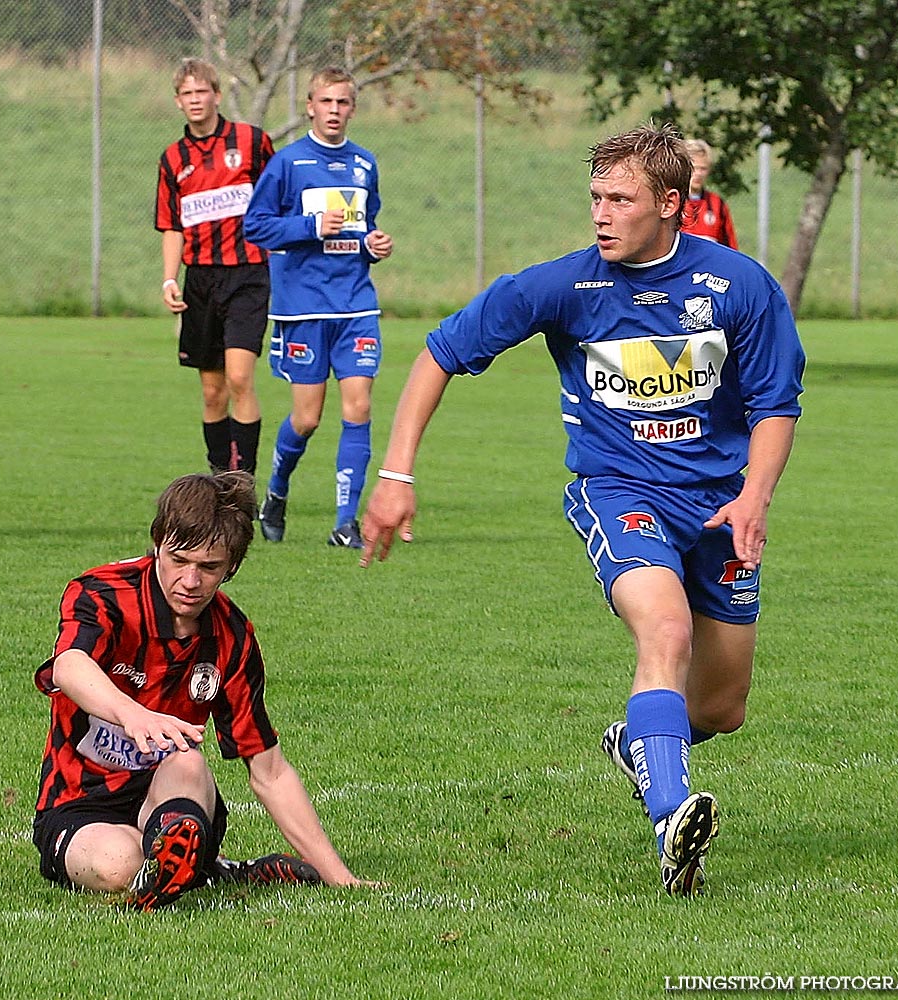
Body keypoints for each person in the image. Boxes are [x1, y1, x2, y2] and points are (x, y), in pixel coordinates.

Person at [359, 124, 804, 898]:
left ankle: (640, 743)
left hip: (718, 507)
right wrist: (395, 473)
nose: (601, 214)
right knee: (662, 630)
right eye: (595, 197)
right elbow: (439, 352)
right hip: (619, 494)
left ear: (670, 204)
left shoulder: (739, 285)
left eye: (620, 199)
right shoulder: (564, 286)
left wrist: (752, 499)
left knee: (723, 707)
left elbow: (774, 403)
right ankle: (671, 819)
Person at [32, 471, 371, 910]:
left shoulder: (232, 637)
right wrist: (132, 715)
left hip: (174, 798)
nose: (190, 581)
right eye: (179, 560)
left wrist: (341, 878)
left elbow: (270, 772)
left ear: (232, 565)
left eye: (208, 567)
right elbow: (69, 665)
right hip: (78, 803)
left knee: (188, 762)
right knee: (118, 865)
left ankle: (184, 856)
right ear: (157, 543)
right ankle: (210, 869)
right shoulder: (104, 594)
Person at [243, 66, 394, 549]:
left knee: (359, 407)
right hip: (303, 308)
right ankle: (276, 493)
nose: (334, 111)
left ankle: (345, 523)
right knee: (307, 418)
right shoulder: (287, 163)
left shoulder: (365, 164)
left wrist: (372, 244)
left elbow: (363, 228)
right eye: (325, 102)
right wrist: (309, 226)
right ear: (309, 105)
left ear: (353, 107)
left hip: (355, 304)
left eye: (343, 102)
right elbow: (256, 226)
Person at [155, 58, 275, 478]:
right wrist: (170, 279)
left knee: (240, 378)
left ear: (217, 95)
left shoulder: (252, 142)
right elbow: (171, 226)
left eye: (201, 92)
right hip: (200, 280)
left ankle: (244, 484)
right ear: (178, 102)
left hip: (248, 274)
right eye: (187, 94)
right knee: (211, 391)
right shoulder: (173, 159)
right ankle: (219, 480)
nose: (195, 100)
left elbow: (279, 202)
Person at [681, 138, 738, 248]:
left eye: (703, 169)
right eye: (694, 168)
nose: (698, 174)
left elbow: (730, 247)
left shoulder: (717, 204)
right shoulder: (671, 202)